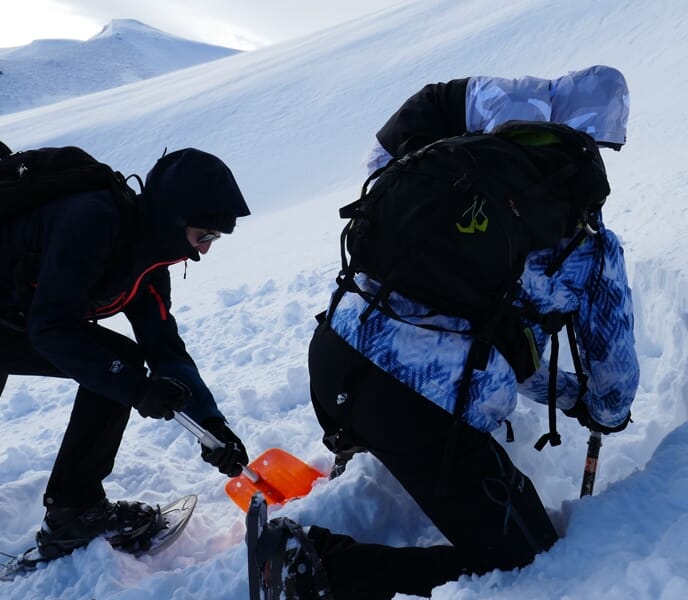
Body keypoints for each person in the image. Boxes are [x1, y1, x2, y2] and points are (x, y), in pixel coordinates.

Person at [256, 66, 639, 599]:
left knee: (418, 422)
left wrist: (560, 392)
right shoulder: (588, 244)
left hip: (332, 359)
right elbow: (613, 376)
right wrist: (602, 411)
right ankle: (317, 565)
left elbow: (493, 335)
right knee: (534, 562)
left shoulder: (456, 174)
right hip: (413, 410)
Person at [0, 147, 251, 565]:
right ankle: (73, 512)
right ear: (174, 216)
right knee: (118, 364)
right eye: (203, 234)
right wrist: (135, 387)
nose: (205, 249)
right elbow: (52, 329)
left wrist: (212, 424)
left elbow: (165, 346)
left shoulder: (149, 258)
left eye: (214, 239)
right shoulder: (93, 222)